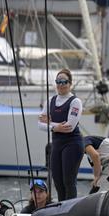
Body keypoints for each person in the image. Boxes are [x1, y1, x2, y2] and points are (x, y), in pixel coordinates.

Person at [39, 68, 83, 201]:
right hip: (57, 144)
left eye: (64, 82)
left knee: (68, 181)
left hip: (72, 144)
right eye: (58, 81)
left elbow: (69, 127)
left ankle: (71, 210)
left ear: (70, 84)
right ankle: (61, 209)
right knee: (57, 181)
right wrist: (56, 127)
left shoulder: (75, 102)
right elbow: (39, 125)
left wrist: (50, 123)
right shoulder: (50, 101)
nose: (61, 84)